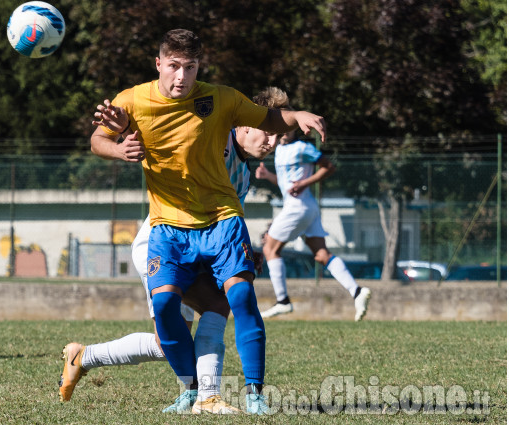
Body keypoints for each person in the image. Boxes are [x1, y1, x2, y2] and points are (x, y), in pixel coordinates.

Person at [86, 29, 325, 415]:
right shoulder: (133, 100)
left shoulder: (222, 103)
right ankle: (186, 388)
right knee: (167, 313)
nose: (182, 77)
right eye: (175, 66)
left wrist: (295, 116)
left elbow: (268, 117)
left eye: (191, 67)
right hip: (165, 228)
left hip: (219, 223)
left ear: (200, 67)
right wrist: (119, 145)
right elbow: (98, 139)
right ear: (159, 63)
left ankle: (247, 395)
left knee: (235, 300)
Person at [59, 88, 288, 414]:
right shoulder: (214, 133)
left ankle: (85, 357)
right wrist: (125, 133)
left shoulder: (244, 174)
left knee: (169, 343)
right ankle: (204, 397)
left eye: (279, 137)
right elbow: (166, 135)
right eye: (269, 133)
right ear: (246, 123)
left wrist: (245, 250)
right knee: (217, 305)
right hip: (162, 241)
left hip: (193, 246)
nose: (273, 143)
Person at [254, 87, 371, 321]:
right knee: (321, 254)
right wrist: (268, 177)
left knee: (269, 248)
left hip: (298, 207)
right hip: (306, 207)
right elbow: (288, 184)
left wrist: (305, 182)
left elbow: (329, 167)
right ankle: (357, 291)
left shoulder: (302, 148)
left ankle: (283, 301)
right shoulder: (279, 150)